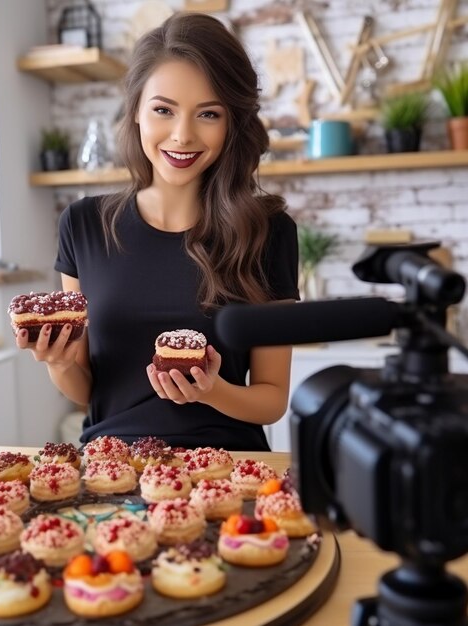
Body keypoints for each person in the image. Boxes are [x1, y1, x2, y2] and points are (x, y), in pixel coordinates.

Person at [16, 12, 299, 450]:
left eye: (208, 114)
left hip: (227, 465)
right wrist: (59, 362)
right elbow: (90, 393)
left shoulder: (268, 232)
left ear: (232, 124)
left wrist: (212, 390)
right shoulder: (83, 225)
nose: (182, 135)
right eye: (164, 110)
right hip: (113, 465)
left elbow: (272, 399)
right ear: (136, 114)